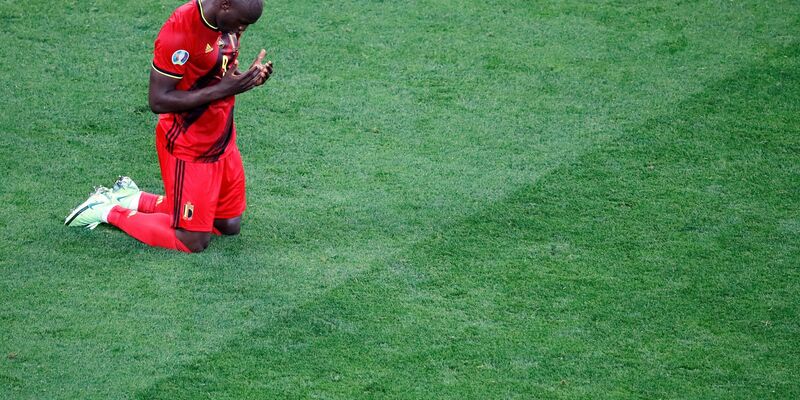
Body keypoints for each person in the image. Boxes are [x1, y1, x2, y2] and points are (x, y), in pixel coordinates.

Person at [65, 0, 273, 253]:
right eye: (241, 23)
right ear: (225, 5)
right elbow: (158, 100)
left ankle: (133, 198)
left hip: (222, 137)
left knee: (228, 224)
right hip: (189, 144)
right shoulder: (180, 31)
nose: (242, 30)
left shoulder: (225, 23)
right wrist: (224, 89)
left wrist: (247, 80)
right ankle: (105, 209)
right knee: (193, 240)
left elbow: (214, 73)